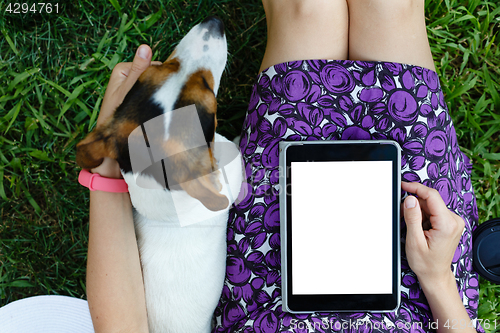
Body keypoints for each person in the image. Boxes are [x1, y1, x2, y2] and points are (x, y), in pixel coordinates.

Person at [84, 1, 482, 332]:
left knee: (306, 10)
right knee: (389, 7)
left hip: (272, 254)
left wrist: (108, 164)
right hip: (421, 272)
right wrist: (438, 278)